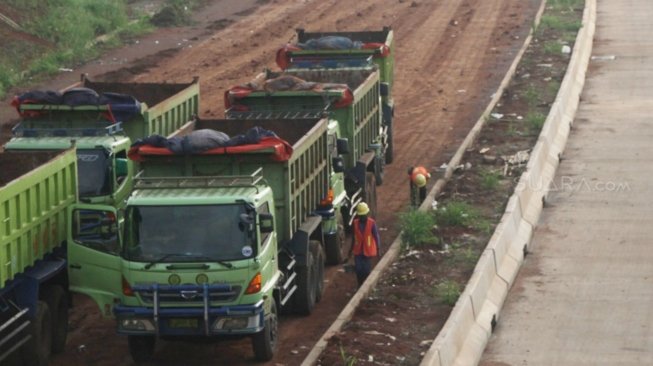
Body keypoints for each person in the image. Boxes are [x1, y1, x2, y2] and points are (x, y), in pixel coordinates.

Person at [349, 202, 381, 287]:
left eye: (364, 215)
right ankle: (360, 284)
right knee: (359, 269)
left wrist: (378, 248)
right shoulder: (355, 223)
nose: (363, 217)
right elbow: (353, 237)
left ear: (367, 214)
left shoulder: (371, 223)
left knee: (366, 270)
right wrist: (350, 251)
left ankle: (365, 285)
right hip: (358, 251)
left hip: (367, 251)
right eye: (361, 215)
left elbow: (376, 235)